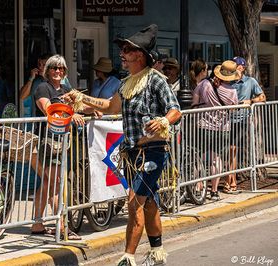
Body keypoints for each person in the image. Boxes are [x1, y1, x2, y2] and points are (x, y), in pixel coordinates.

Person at [63, 24, 181, 266]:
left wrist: (162, 121)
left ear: (140, 55)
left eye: (126, 50)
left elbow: (175, 110)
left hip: (153, 151)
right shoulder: (127, 83)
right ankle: (157, 254)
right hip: (132, 153)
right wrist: (80, 97)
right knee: (148, 202)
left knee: (134, 201)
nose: (122, 55)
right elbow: (109, 107)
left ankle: (127, 258)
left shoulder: (156, 81)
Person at [31, 54, 84, 240]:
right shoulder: (42, 88)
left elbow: (80, 105)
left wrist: (96, 110)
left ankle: (37, 224)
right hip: (49, 141)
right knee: (55, 183)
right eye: (54, 68)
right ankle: (62, 226)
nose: (58, 71)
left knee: (47, 183)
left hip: (63, 141)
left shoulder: (66, 88)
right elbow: (48, 110)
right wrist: (71, 115)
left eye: (61, 68)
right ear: (48, 70)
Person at [192, 60, 239, 200]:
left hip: (203, 126)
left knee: (197, 157)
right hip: (223, 128)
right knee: (216, 159)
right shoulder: (232, 91)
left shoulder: (204, 84)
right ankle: (214, 191)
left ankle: (198, 186)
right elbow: (235, 108)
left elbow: (194, 103)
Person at [226, 56, 266, 193]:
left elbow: (263, 97)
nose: (236, 67)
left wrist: (250, 101)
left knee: (232, 148)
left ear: (242, 67)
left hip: (241, 119)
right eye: (234, 65)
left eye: (238, 65)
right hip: (225, 119)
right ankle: (230, 179)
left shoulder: (250, 81)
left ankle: (231, 180)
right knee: (228, 150)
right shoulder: (227, 81)